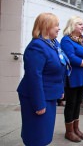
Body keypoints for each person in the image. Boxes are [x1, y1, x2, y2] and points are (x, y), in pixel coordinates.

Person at [17, 13, 70, 146]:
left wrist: (60, 89)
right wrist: (39, 103)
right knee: (36, 135)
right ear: (46, 27)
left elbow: (60, 67)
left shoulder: (53, 43)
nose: (59, 28)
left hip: (49, 95)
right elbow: (34, 77)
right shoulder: (37, 47)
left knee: (44, 133)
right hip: (37, 97)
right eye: (56, 25)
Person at [61, 16, 83, 142]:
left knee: (78, 104)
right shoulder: (66, 40)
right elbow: (71, 57)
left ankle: (76, 128)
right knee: (71, 104)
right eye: (79, 24)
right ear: (72, 25)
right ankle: (69, 131)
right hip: (73, 77)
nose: (82, 26)